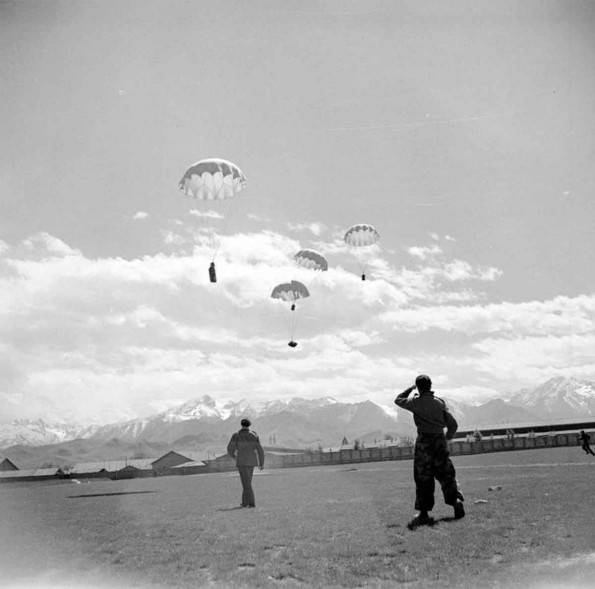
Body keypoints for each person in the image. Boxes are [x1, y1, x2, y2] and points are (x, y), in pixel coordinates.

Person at [395, 375, 465, 528]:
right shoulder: (439, 403)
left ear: (418, 387)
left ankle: (424, 513)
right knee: (446, 474)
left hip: (424, 444)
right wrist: (447, 438)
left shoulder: (415, 402)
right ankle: (455, 501)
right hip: (439, 441)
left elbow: (398, 400)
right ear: (431, 385)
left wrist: (410, 389)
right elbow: (453, 424)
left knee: (423, 478)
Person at [227, 418, 265, 507]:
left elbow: (230, 448)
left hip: (241, 461)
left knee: (246, 483)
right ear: (249, 425)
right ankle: (244, 502)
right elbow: (260, 450)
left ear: (241, 424)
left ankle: (251, 503)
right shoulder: (254, 435)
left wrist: (234, 456)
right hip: (251, 462)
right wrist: (261, 462)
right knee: (247, 482)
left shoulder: (236, 435)